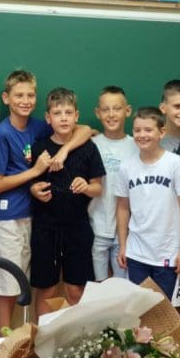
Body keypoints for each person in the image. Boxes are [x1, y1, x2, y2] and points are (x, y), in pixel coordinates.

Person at [0, 70, 90, 331]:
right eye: (19, 95)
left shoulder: (38, 126)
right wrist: (34, 172)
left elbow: (86, 130)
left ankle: (25, 342)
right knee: (7, 287)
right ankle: (3, 345)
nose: (25, 100)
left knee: (25, 284)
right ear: (6, 98)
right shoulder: (1, 133)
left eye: (30, 95)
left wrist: (64, 150)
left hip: (34, 217)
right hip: (9, 219)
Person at [28, 87, 105, 310]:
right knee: (46, 289)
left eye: (68, 113)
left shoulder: (89, 148)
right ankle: (43, 332)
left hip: (77, 226)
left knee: (75, 289)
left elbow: (98, 188)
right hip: (45, 227)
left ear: (76, 116)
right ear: (48, 118)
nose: (63, 118)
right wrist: (34, 190)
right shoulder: (40, 147)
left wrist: (86, 187)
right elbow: (31, 182)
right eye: (57, 113)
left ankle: (77, 333)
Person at [115, 107, 180, 297]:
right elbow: (122, 208)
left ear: (162, 132)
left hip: (167, 253)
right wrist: (123, 246)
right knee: (138, 308)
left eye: (148, 130)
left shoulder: (176, 164)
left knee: (163, 309)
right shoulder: (126, 167)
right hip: (136, 253)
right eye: (137, 130)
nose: (142, 135)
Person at [89, 86, 137, 281]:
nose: (111, 114)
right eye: (105, 109)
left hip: (126, 232)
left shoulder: (137, 145)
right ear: (97, 113)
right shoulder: (91, 144)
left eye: (117, 108)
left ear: (127, 111)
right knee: (98, 286)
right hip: (96, 228)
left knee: (122, 287)